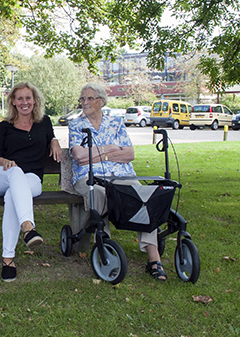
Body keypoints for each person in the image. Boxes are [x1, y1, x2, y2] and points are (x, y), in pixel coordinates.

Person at [68, 83, 167, 281]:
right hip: (88, 177)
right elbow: (79, 156)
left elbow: (129, 154)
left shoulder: (116, 123)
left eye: (89, 98)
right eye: (82, 99)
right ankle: (106, 250)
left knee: (143, 198)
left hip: (122, 175)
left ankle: (154, 259)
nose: (84, 103)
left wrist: (97, 154)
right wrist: (111, 149)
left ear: (101, 101)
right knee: (100, 194)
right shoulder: (76, 125)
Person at [0, 82, 62, 282]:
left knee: (14, 194)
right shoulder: (4, 126)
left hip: (31, 180)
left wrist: (54, 140)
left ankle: (8, 259)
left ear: (35, 100)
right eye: (19, 98)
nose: (24, 102)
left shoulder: (44, 123)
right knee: (15, 173)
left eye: (28, 98)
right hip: (1, 175)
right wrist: (6, 162)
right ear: (13, 101)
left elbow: (51, 137)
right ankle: (28, 228)